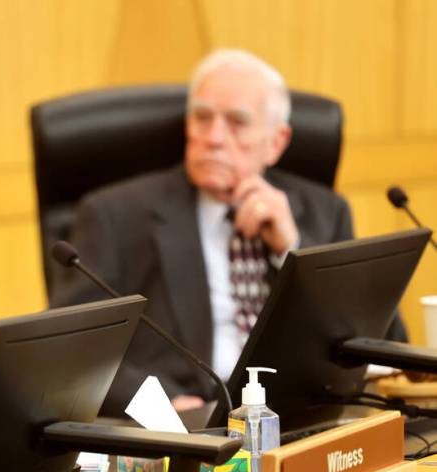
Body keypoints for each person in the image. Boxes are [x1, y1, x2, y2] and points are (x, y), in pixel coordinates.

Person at [53, 49, 401, 415]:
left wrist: (292, 249)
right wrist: (161, 406)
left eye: (236, 122)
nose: (214, 137)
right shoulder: (116, 215)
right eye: (202, 118)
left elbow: (384, 343)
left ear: (277, 142)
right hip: (185, 425)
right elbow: (74, 348)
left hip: (302, 417)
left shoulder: (324, 212)